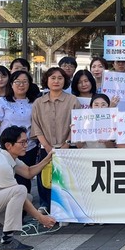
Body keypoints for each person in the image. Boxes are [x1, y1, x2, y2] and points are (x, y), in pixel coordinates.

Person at [31, 67, 81, 212]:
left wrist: (67, 143)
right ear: (46, 80)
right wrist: (46, 146)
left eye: (60, 78)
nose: (56, 81)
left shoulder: (72, 100)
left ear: (65, 81)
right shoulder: (39, 102)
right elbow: (36, 126)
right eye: (52, 78)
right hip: (45, 148)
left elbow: (76, 125)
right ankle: (45, 205)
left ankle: (68, 208)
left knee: (67, 179)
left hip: (67, 147)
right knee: (45, 177)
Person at [0, 70, 40, 196]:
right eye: (17, 82)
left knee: (24, 179)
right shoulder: (3, 102)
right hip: (7, 148)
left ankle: (23, 202)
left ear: (29, 84)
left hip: (28, 147)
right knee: (6, 178)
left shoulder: (34, 102)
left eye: (25, 82)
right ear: (11, 84)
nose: (21, 85)